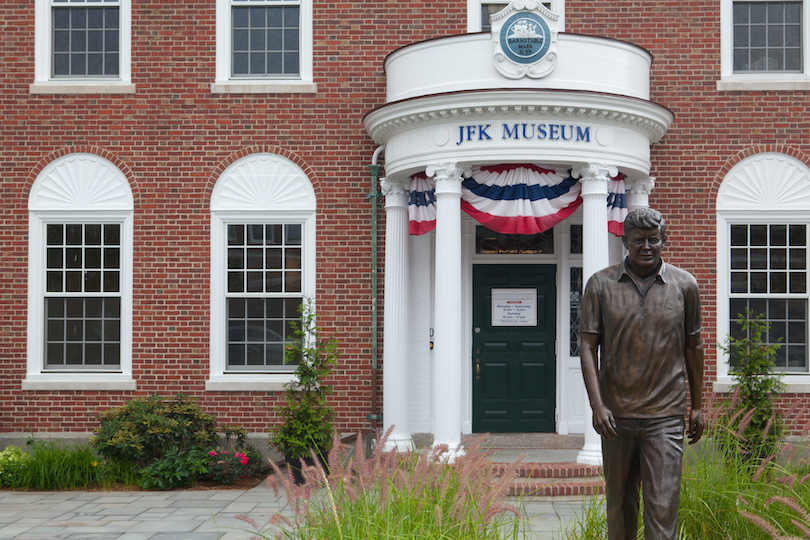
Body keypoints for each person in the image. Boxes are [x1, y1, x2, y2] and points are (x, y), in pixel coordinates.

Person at [579, 207, 704, 540]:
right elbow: (587, 347)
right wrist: (597, 405)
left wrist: (698, 405)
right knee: (620, 507)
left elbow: (694, 347)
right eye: (639, 240)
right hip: (617, 416)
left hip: (665, 414)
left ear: (664, 240)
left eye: (654, 240)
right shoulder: (600, 285)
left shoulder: (685, 286)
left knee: (663, 507)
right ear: (625, 241)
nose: (646, 247)